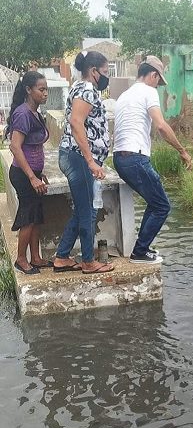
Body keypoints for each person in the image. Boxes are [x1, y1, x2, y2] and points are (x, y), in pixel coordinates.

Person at [113, 56, 193, 264]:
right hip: (135, 158)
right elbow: (161, 126)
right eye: (159, 80)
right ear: (153, 75)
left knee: (155, 201)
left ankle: (142, 248)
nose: (158, 85)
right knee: (162, 206)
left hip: (120, 158)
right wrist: (182, 151)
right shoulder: (148, 92)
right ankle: (140, 252)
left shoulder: (125, 95)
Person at [53, 51, 114, 275]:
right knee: (87, 210)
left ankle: (61, 257)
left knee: (82, 210)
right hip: (78, 157)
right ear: (94, 71)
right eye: (106, 72)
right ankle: (88, 261)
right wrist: (90, 161)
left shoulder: (79, 87)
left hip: (74, 156)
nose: (107, 77)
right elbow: (76, 122)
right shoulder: (87, 90)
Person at [5, 71, 50, 275]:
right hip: (24, 175)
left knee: (36, 216)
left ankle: (36, 257)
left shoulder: (35, 113)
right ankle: (21, 259)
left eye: (46, 89)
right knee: (28, 216)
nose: (45, 93)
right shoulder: (23, 114)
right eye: (41, 90)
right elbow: (15, 147)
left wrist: (39, 174)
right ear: (28, 90)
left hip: (34, 173)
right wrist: (32, 177)